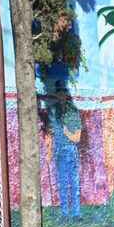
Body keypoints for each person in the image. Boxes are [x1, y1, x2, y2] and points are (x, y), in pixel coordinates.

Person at [49, 81, 82, 219]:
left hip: (70, 150)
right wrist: (48, 151)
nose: (61, 95)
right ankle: (64, 214)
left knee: (74, 183)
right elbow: (50, 133)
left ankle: (76, 213)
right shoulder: (52, 111)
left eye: (63, 92)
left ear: (66, 94)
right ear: (57, 94)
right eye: (59, 93)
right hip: (59, 151)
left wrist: (67, 132)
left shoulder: (73, 112)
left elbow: (77, 137)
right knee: (62, 184)